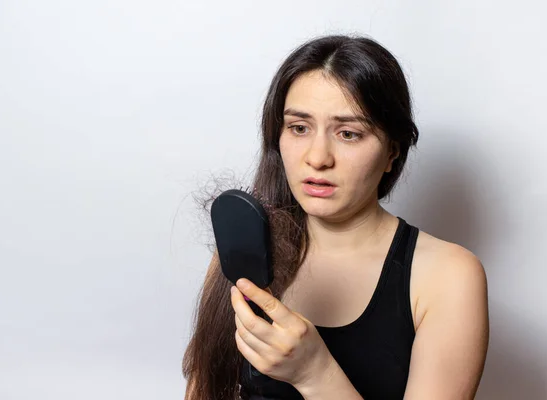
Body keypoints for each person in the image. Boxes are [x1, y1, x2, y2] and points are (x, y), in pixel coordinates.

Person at [182, 34, 489, 400]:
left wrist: (315, 373)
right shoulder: (239, 253)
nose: (318, 157)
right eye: (299, 128)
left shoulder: (447, 276)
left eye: (348, 133)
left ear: (392, 151)